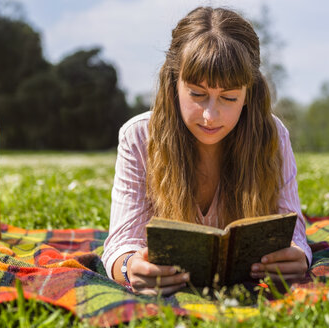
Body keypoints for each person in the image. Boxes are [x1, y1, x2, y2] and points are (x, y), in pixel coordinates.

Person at [101, 6, 311, 296]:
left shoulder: (272, 135)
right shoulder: (139, 137)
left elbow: (294, 229)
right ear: (174, 83)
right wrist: (129, 268)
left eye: (228, 97)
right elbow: (121, 241)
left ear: (249, 94)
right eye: (197, 95)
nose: (210, 116)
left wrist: (298, 255)